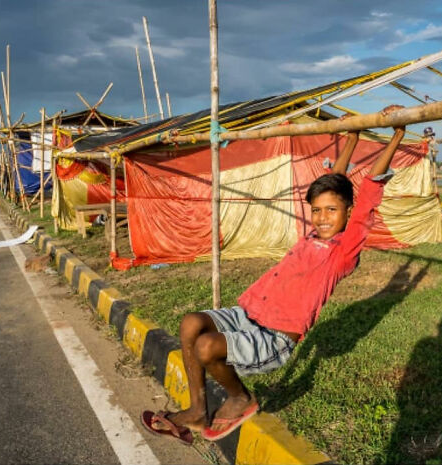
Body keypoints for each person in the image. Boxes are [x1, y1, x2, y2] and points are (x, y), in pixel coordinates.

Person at [141, 105, 407, 445]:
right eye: (317, 210)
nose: (323, 217)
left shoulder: (343, 252)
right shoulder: (313, 235)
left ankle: (241, 399)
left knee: (207, 347)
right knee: (191, 323)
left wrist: (397, 133)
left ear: (348, 213)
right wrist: (350, 137)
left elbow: (368, 193)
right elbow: (331, 186)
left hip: (274, 337)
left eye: (332, 211)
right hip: (248, 315)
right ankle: (196, 410)